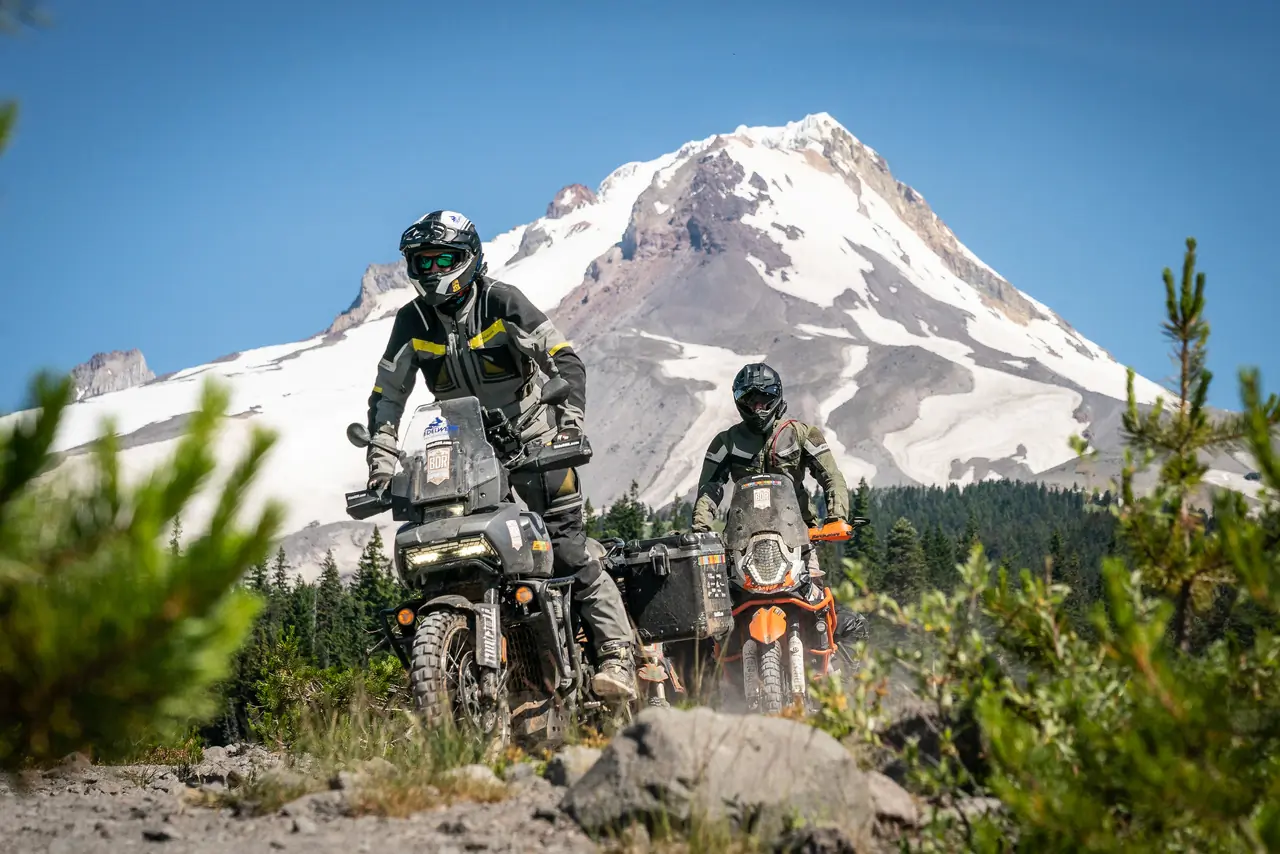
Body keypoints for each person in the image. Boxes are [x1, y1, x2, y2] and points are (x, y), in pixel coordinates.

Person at [364, 210, 636, 700]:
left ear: (468, 258)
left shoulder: (501, 301)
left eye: (441, 258)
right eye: (421, 261)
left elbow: (564, 359)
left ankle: (616, 654)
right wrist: (381, 467)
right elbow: (388, 396)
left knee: (567, 551)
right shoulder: (412, 321)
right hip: (464, 464)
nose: (431, 270)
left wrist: (568, 427)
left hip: (537, 447)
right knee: (451, 562)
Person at [691, 362, 867, 652]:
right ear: (739, 402)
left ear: (777, 396)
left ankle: (834, 677)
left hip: (798, 540)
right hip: (742, 544)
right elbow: (709, 488)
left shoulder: (802, 434)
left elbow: (831, 476)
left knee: (820, 607)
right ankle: (718, 680)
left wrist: (837, 516)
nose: (758, 406)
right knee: (720, 615)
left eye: (763, 399)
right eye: (750, 400)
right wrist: (701, 528)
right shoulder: (725, 443)